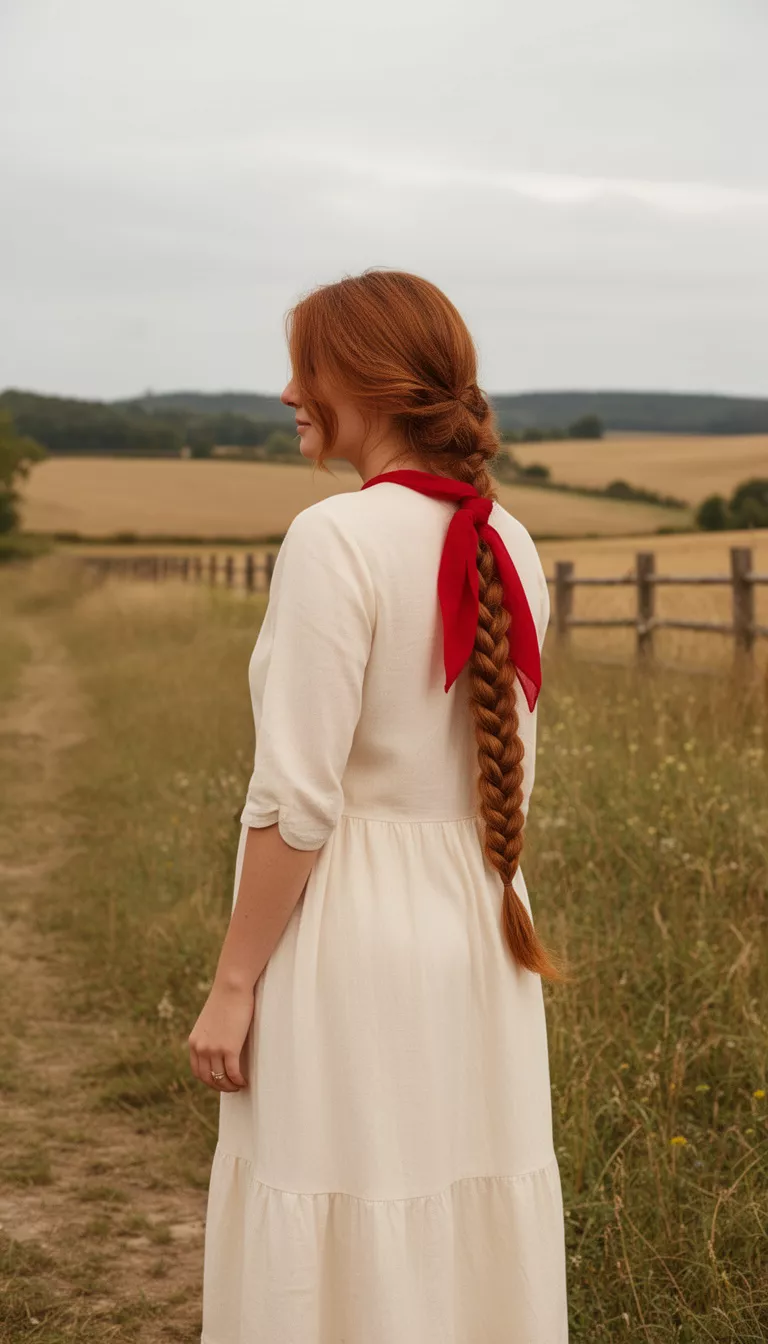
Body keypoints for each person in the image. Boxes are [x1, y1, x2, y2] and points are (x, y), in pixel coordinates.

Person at [189, 268, 569, 1343]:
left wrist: (232, 986)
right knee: (459, 1214)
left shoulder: (334, 539)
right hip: (483, 927)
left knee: (335, 1214)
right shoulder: (513, 540)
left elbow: (297, 804)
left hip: (352, 938)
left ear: (371, 380)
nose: (286, 394)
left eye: (306, 368)